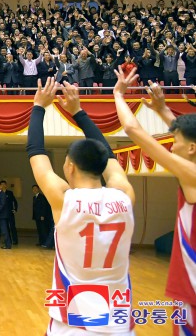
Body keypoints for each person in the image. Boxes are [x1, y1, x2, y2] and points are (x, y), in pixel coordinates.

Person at [27, 78, 135, 335]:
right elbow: (107, 156)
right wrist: (78, 112)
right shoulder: (124, 195)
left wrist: (39, 107)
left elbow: (35, 153)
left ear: (70, 167)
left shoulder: (65, 200)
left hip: (73, 323)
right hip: (118, 322)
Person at [113, 76, 196, 336]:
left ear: (191, 148)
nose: (173, 144)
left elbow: (133, 130)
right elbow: (187, 136)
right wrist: (162, 110)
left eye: (176, 141)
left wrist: (118, 94)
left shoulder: (191, 175)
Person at [32, 185, 54, 249]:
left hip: (41, 216)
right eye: (33, 189)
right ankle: (41, 242)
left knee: (43, 230)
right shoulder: (34, 197)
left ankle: (45, 242)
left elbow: (44, 206)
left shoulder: (41, 197)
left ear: (38, 189)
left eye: (36, 188)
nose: (34, 190)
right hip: (37, 216)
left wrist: (42, 215)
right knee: (39, 230)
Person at [3, 180, 19, 245]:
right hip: (3, 214)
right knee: (5, 228)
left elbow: (15, 201)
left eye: (4, 184)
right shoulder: (0, 193)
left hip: (10, 213)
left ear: (6, 185)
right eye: (1, 185)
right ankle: (7, 240)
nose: (3, 186)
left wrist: (15, 209)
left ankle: (15, 240)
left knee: (12, 227)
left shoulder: (10, 193)